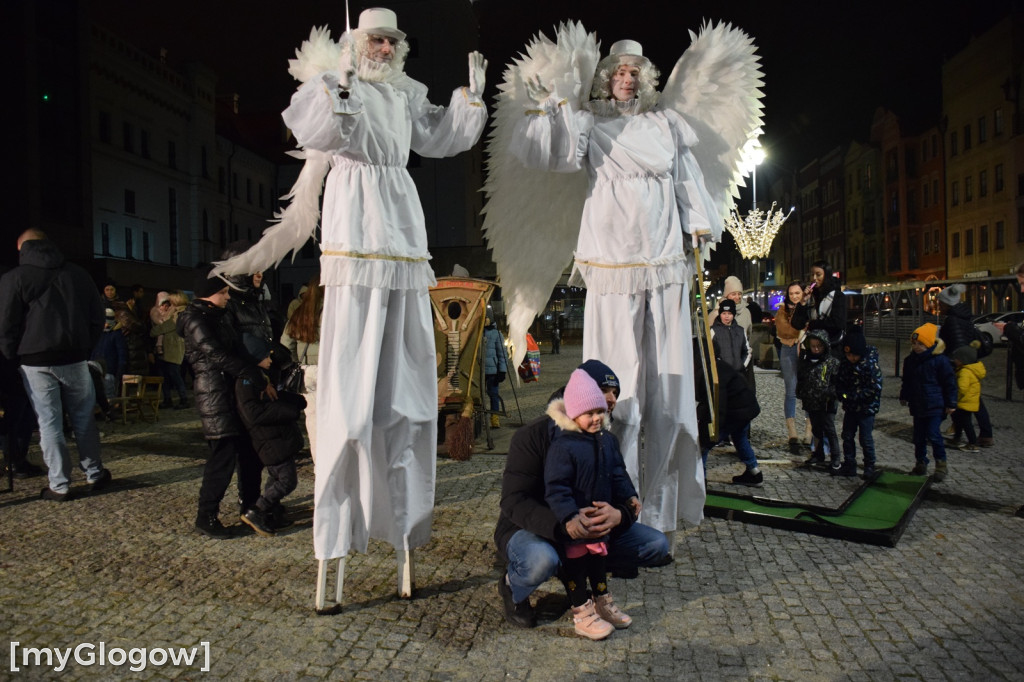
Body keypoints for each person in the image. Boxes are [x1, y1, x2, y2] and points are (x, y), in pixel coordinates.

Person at [216, 7, 490, 563]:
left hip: (399, 213)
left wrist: (471, 101)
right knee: (352, 366)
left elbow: (439, 136)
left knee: (405, 365)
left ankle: (403, 514)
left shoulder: (406, 92)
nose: (385, 50)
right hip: (356, 213)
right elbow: (316, 129)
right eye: (376, 41)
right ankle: (342, 515)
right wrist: (338, 90)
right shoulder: (333, 84)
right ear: (356, 43)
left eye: (392, 42)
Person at [511, 39, 718, 534]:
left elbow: (686, 178)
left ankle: (664, 508)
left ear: (644, 80)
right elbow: (555, 154)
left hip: (663, 261)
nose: (626, 79)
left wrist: (696, 222)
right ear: (606, 78)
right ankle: (614, 507)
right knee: (615, 388)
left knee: (669, 386)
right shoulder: (589, 123)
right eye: (619, 72)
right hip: (611, 262)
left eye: (635, 72)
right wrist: (551, 111)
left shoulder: (665, 124)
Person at [494, 359, 671, 629]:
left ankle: (587, 576)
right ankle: (512, 585)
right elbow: (513, 501)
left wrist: (620, 513)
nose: (612, 400)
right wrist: (564, 524)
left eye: (615, 394)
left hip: (588, 526)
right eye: (604, 391)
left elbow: (619, 480)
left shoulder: (604, 437)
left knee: (655, 545)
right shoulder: (532, 436)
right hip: (534, 527)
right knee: (541, 561)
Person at [0, 229, 111, 500]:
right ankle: (94, 473)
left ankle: (60, 484)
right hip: (74, 357)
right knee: (83, 419)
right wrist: (85, 347)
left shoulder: (15, 278)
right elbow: (97, 318)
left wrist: (11, 359)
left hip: (34, 361)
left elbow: (6, 325)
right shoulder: (78, 274)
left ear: (22, 248)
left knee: (49, 423)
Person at [178, 264, 272, 538]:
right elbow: (216, 354)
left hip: (227, 393)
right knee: (221, 459)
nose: (228, 297)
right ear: (209, 294)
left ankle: (251, 507)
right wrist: (251, 371)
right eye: (222, 292)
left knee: (246, 454)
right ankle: (206, 516)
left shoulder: (216, 316)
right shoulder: (197, 319)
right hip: (215, 396)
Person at [545, 369, 638, 639]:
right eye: (589, 414)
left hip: (599, 520)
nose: (597, 418)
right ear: (574, 414)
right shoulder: (564, 445)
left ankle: (601, 600)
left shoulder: (607, 441)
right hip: (578, 521)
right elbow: (556, 488)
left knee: (598, 562)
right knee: (575, 566)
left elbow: (618, 473)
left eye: (600, 411)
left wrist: (629, 496)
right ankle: (581, 611)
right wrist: (569, 517)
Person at [235, 372, 306, 536]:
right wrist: (288, 410)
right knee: (287, 481)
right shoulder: (247, 381)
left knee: (275, 479)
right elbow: (255, 413)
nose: (269, 359)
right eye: (265, 355)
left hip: (277, 440)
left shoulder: (262, 376)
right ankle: (257, 510)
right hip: (271, 442)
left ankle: (270, 513)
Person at [936, 283, 994, 447]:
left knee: (956, 399)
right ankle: (985, 434)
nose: (939, 306)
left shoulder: (953, 320)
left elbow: (958, 344)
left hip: (961, 365)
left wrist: (952, 363)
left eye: (940, 303)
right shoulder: (963, 317)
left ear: (948, 303)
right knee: (974, 400)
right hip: (970, 362)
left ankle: (965, 435)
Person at [899, 323, 957, 482]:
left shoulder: (940, 360)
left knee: (933, 433)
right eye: (914, 343)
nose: (916, 346)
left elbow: (949, 382)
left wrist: (951, 403)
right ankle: (920, 462)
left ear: (930, 344)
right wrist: (904, 395)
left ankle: (941, 464)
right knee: (918, 436)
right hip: (918, 404)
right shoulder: (910, 361)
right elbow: (907, 381)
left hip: (935, 404)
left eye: (921, 344)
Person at [281, 274, 323, 462]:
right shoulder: (333, 309)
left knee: (313, 421)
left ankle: (319, 465)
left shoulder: (299, 312)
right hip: (327, 370)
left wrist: (296, 362)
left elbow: (285, 344)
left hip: (305, 372)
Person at [835, 331, 882, 479]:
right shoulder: (846, 364)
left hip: (866, 408)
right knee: (847, 435)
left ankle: (869, 466)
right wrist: (842, 394)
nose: (851, 358)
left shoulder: (870, 365)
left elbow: (874, 388)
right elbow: (840, 381)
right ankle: (849, 464)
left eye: (854, 355)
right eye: (848, 355)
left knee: (865, 438)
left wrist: (854, 396)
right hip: (850, 407)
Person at [797, 328, 840, 473]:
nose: (815, 349)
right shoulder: (806, 361)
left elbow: (836, 382)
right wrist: (800, 391)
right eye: (813, 346)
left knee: (829, 429)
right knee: (816, 429)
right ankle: (818, 453)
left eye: (818, 346)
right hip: (811, 401)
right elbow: (801, 378)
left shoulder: (832, 362)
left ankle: (835, 458)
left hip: (827, 402)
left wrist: (831, 394)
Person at [774, 280, 809, 452]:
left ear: (803, 293)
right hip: (788, 351)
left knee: (810, 390)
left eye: (797, 293)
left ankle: (809, 432)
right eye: (792, 293)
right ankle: (792, 432)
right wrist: (803, 329)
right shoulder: (782, 310)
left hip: (807, 351)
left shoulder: (809, 307)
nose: (794, 296)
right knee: (791, 391)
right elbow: (785, 331)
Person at [791, 261, 847, 360]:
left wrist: (813, 324)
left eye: (818, 274)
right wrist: (802, 302)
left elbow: (838, 323)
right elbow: (797, 324)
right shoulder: (810, 297)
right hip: (811, 350)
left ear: (827, 275)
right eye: (812, 274)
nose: (814, 278)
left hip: (832, 348)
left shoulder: (837, 296)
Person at [150, 291, 190, 409]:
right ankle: (169, 399)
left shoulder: (179, 313)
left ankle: (183, 399)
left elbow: (167, 326)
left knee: (174, 374)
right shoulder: (177, 312)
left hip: (174, 348)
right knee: (167, 375)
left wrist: (153, 331)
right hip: (169, 348)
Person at [948, 345, 984, 453]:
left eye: (956, 359)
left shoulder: (965, 372)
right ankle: (957, 438)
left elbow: (962, 388)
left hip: (964, 402)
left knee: (966, 423)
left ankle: (973, 443)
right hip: (967, 402)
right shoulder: (968, 370)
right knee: (958, 421)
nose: (954, 361)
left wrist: (954, 399)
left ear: (963, 360)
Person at [710, 298, 751, 385]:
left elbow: (746, 351)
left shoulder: (740, 331)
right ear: (720, 314)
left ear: (734, 315)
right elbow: (710, 353)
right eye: (724, 313)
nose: (726, 316)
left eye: (729, 313)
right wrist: (718, 367)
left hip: (738, 374)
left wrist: (742, 365)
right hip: (721, 375)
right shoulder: (713, 331)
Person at [91, 308, 127, 402]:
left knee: (109, 395)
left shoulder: (116, 335)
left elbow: (121, 353)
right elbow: (93, 350)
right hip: (96, 370)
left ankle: (110, 412)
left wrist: (119, 371)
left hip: (109, 371)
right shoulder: (98, 334)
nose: (106, 324)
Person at [483, 318, 508, 428]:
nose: (485, 320)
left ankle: (495, 417)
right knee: (478, 396)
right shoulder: (476, 332)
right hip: (478, 370)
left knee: (493, 395)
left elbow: (502, 353)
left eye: (486, 318)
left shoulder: (496, 334)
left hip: (492, 371)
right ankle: (479, 418)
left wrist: (502, 370)